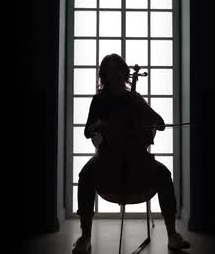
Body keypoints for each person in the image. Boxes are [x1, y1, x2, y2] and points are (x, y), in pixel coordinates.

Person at [73, 54, 190, 253]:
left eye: (119, 70)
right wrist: (98, 125)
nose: (116, 75)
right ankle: (85, 236)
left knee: (163, 174)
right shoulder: (99, 100)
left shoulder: (134, 98)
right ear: (105, 75)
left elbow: (159, 123)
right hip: (107, 155)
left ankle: (172, 235)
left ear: (125, 73)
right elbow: (87, 131)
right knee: (85, 175)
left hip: (138, 156)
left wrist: (152, 118)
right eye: (110, 71)